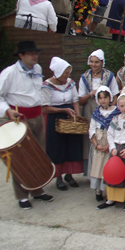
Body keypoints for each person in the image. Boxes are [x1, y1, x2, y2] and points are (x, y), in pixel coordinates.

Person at [0, 41, 54, 209]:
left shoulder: (37, 69)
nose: (34, 56)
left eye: (35, 53)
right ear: (21, 56)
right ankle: (22, 196)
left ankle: (38, 190)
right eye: (30, 53)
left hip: (37, 116)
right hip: (19, 118)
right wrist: (8, 112)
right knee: (20, 157)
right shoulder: (9, 73)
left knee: (38, 154)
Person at [41, 57, 82, 191]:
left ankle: (69, 175)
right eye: (65, 73)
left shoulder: (70, 83)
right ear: (58, 73)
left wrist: (77, 117)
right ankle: (59, 177)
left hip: (69, 116)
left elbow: (75, 100)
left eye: (68, 72)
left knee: (71, 144)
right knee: (57, 147)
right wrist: (63, 110)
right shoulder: (47, 85)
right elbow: (45, 107)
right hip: (55, 117)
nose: (68, 75)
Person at [79, 49, 119, 170]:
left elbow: (115, 95)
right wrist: (91, 93)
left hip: (107, 109)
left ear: (102, 62)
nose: (94, 64)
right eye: (91, 61)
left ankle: (109, 167)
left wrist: (111, 110)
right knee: (91, 137)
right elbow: (80, 100)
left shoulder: (109, 76)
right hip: (90, 108)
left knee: (108, 135)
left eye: (96, 62)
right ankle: (91, 168)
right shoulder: (84, 77)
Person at [88, 86, 121, 202]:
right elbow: (91, 129)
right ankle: (98, 190)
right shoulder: (96, 112)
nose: (103, 100)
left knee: (109, 167)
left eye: (105, 97)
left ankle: (109, 191)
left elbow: (119, 128)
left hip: (110, 142)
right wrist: (96, 144)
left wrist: (110, 145)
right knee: (98, 166)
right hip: (99, 142)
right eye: (100, 98)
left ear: (110, 97)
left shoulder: (116, 111)